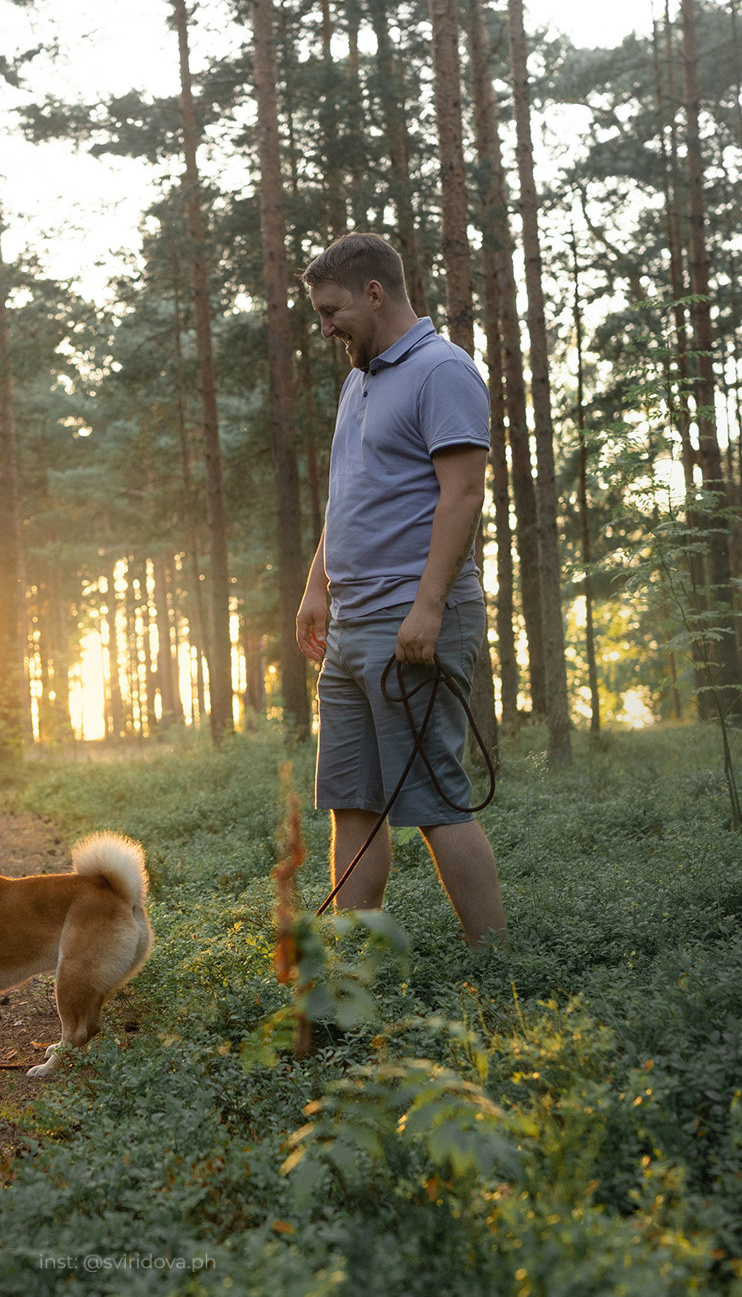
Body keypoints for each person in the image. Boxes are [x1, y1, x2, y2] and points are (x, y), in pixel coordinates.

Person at [294, 234, 508, 948]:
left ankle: (497, 965)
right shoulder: (360, 379)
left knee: (435, 800)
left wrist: (427, 607)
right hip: (351, 624)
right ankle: (351, 974)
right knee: (352, 806)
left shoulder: (442, 371)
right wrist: (316, 586)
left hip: (409, 622)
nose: (326, 326)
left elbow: (464, 494)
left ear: (375, 293)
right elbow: (345, 495)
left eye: (332, 310)